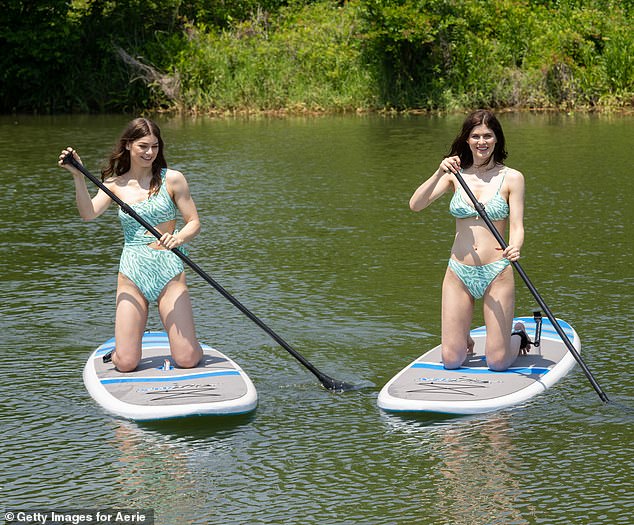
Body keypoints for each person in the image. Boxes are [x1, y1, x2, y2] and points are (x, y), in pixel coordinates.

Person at [58, 117, 203, 372]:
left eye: (155, 146)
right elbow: (88, 213)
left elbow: (194, 222)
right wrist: (79, 177)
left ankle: (190, 343)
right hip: (132, 273)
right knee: (125, 363)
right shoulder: (115, 185)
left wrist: (178, 238)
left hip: (168, 269)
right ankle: (120, 349)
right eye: (143, 146)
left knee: (187, 359)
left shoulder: (173, 179)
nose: (150, 152)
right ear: (128, 146)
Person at [409, 109, 529, 371]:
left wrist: (515, 246)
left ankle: (518, 337)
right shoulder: (455, 174)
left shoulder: (512, 178)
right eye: (475, 136)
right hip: (459, 272)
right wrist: (438, 172)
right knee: (451, 360)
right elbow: (416, 205)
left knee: (497, 363)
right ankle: (464, 339)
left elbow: (517, 227)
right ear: (467, 140)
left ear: (497, 139)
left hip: (496, 271)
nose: (481, 141)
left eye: (488, 135)